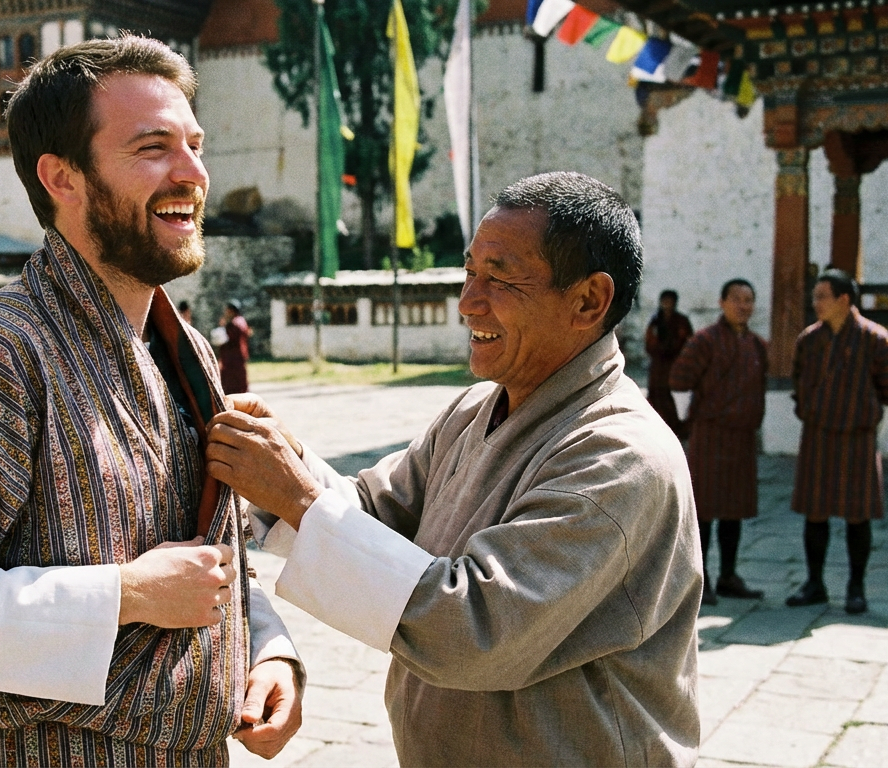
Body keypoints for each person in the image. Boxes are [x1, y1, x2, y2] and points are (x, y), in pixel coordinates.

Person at [0, 37, 303, 766]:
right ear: (62, 177)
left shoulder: (188, 353)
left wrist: (266, 649)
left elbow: (212, 560)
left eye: (195, 145)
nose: (192, 173)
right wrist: (126, 594)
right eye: (153, 147)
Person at [207, 172, 702, 766]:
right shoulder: (476, 409)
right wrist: (284, 462)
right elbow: (373, 512)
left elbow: (476, 629)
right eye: (470, 272)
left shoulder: (618, 457)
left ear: (588, 301)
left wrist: (298, 497)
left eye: (500, 278)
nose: (468, 302)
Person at [787, 269, 888, 614]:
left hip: (857, 439)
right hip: (818, 436)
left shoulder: (874, 338)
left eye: (822, 296)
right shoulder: (809, 340)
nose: (816, 303)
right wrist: (811, 408)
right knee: (815, 513)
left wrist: (866, 413)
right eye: (815, 296)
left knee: (858, 515)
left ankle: (856, 587)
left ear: (843, 299)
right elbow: (798, 382)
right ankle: (814, 583)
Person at [669, 279, 767, 606]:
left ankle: (728, 575)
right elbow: (679, 379)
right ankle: (701, 578)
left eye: (749, 300)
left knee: (733, 510)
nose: (743, 306)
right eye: (736, 299)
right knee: (705, 511)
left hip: (742, 438)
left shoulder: (756, 345)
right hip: (710, 435)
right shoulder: (705, 340)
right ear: (722, 302)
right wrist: (688, 420)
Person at [645, 289, 694, 438]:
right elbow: (649, 342)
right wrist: (659, 349)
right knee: (657, 396)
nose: (667, 304)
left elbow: (687, 341)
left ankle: (676, 430)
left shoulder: (681, 321)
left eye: (670, 301)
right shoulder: (655, 321)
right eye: (664, 301)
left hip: (675, 365)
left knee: (674, 398)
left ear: (675, 303)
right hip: (658, 366)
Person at [218, 300, 250, 394]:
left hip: (232, 358)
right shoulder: (242, 321)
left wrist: (223, 326)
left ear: (231, 311)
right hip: (239, 356)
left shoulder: (234, 323)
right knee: (240, 382)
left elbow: (226, 338)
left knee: (232, 385)